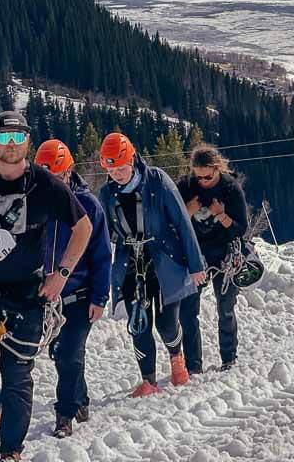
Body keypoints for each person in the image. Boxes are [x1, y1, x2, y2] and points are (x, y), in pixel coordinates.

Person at [0, 111, 92, 462]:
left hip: (28, 292)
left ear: (28, 140)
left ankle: (12, 451)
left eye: (18, 137)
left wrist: (62, 273)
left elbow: (82, 227)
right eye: (4, 138)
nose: (11, 145)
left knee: (17, 374)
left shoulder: (46, 184)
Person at [97, 132, 205, 397]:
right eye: (112, 170)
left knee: (167, 323)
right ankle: (148, 380)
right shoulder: (107, 193)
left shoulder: (156, 180)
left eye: (122, 168)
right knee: (138, 324)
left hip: (166, 260)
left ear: (132, 159)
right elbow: (102, 233)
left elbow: (182, 220)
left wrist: (196, 264)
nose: (118, 175)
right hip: (132, 264)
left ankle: (177, 356)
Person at [34, 139, 112, 439]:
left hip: (79, 294)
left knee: (68, 353)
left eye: (59, 176)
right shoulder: (35, 204)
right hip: (47, 298)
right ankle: (79, 398)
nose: (54, 184)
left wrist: (99, 297)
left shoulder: (88, 206)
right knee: (60, 352)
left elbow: (102, 255)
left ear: (69, 172)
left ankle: (64, 415)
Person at [177, 144, 249, 373]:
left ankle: (229, 358)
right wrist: (187, 211)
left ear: (218, 169)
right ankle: (193, 365)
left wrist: (220, 215)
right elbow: (172, 223)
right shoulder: (186, 187)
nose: (203, 181)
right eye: (198, 177)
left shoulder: (230, 188)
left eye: (208, 177)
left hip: (224, 252)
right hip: (195, 253)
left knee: (225, 306)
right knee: (188, 311)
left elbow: (241, 229)